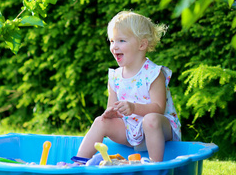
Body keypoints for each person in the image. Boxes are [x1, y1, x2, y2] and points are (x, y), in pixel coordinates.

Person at [76, 11, 181, 162]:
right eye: (112, 41)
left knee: (150, 120)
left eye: (121, 41)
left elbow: (159, 108)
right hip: (130, 129)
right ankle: (79, 162)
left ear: (142, 44)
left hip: (158, 129)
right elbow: (113, 109)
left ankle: (155, 167)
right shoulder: (115, 77)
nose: (114, 47)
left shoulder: (153, 73)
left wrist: (133, 108)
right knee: (100, 121)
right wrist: (110, 113)